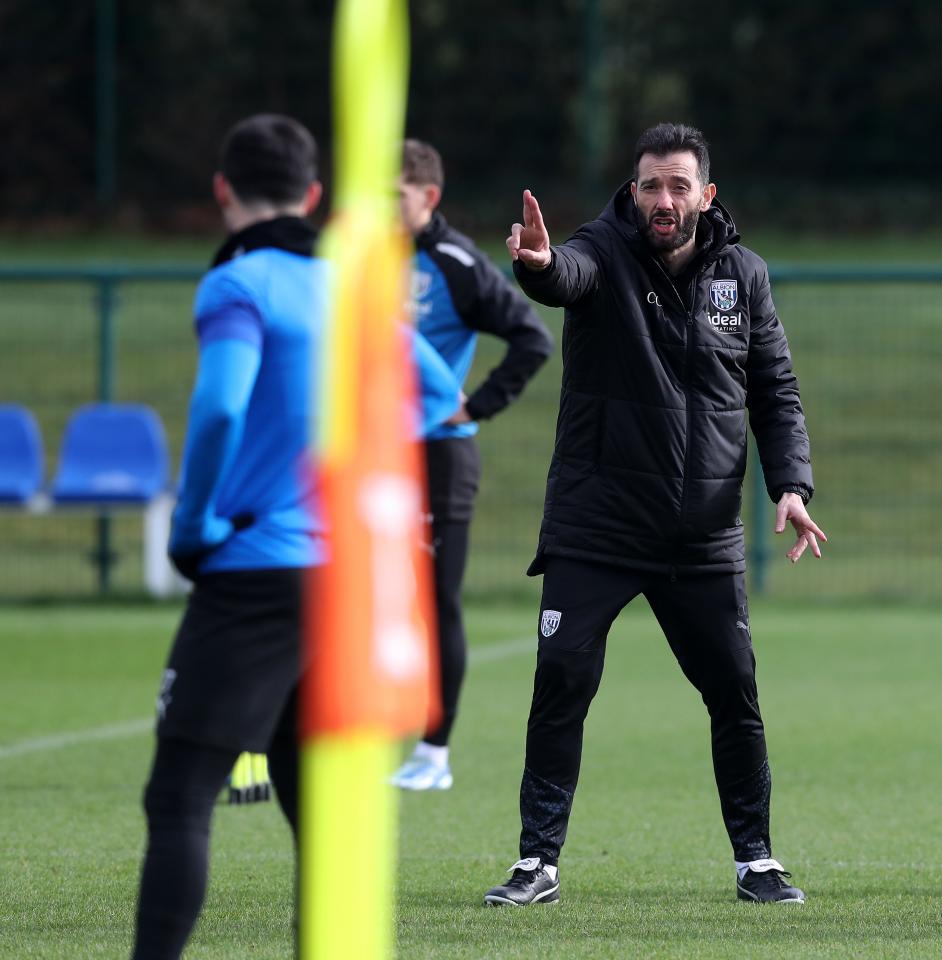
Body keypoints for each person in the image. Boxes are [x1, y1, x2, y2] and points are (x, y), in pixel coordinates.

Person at [131, 114, 458, 959]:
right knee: (317, 806)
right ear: (313, 195)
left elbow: (220, 405)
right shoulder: (349, 287)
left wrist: (196, 522)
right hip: (342, 578)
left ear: (221, 190)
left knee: (180, 799)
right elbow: (431, 393)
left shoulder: (238, 284)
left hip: (257, 571)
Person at [481, 122, 826, 907]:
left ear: (706, 194)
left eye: (678, 186)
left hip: (700, 532)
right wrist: (536, 264)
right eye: (649, 186)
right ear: (632, 192)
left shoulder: (745, 277)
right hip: (597, 524)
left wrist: (792, 486)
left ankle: (757, 862)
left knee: (733, 689)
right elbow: (562, 275)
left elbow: (775, 391)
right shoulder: (600, 251)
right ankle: (537, 863)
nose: (662, 201)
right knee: (562, 676)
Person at [390, 139, 555, 792]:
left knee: (436, 604)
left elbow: (531, 338)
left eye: (392, 196)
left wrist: (475, 407)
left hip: (437, 454)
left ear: (428, 198)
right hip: (372, 456)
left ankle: (433, 754)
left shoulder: (455, 262)